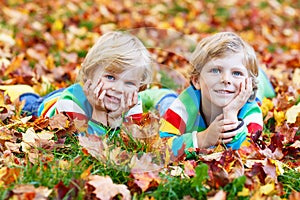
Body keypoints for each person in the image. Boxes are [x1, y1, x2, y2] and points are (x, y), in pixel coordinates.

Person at [19, 31, 153, 137]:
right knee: (29, 103)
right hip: (53, 104)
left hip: (79, 95)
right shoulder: (70, 103)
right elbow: (88, 143)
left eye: (129, 83)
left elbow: (125, 142)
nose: (117, 88)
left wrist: (115, 118)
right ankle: (21, 91)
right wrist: (99, 114)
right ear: (90, 73)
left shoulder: (132, 102)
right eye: (110, 77)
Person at [159, 32, 267, 158]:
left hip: (256, 88)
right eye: (215, 70)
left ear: (249, 84)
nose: (226, 79)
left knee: (261, 84)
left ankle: (262, 76)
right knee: (165, 102)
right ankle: (161, 95)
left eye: (237, 73)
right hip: (174, 100)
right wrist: (203, 138)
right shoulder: (185, 103)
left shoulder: (252, 112)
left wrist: (231, 114)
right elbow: (162, 147)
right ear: (196, 80)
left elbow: (249, 152)